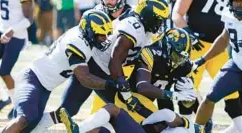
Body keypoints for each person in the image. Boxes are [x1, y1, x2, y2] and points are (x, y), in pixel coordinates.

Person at [30, 0, 170, 132]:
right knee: (121, 106)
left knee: (70, 109)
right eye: (158, 19)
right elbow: (115, 60)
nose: (161, 23)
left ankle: (34, 127)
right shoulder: (133, 27)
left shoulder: (139, 23)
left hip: (106, 66)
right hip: (98, 66)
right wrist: (124, 90)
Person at [0, 9, 114, 133]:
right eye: (101, 35)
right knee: (24, 119)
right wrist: (109, 84)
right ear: (89, 31)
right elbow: (84, 78)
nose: (104, 38)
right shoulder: (78, 42)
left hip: (44, 87)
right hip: (33, 79)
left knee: (26, 129)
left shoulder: (84, 37)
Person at [172, 0, 241, 131]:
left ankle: (238, 126)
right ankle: (187, 128)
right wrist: (188, 32)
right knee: (187, 88)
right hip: (196, 46)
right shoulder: (229, 12)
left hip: (222, 49)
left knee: (232, 94)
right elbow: (177, 13)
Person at [192, 0, 242, 132]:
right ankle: (198, 130)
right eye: (237, 2)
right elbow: (224, 39)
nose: (240, 6)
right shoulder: (228, 13)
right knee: (209, 98)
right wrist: (203, 59)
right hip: (236, 65)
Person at [60, 103, 202, 133]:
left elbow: (166, 114)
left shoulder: (184, 130)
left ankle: (77, 130)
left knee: (112, 109)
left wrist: (184, 121)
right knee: (100, 131)